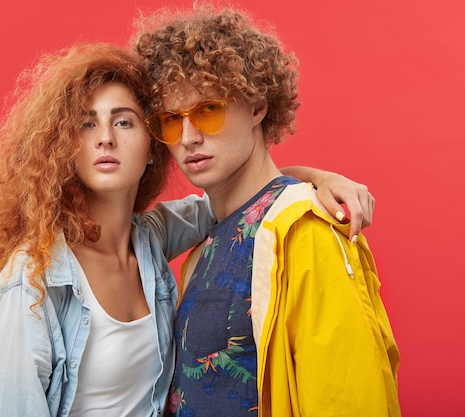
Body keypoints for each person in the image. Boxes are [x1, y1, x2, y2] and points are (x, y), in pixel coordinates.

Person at [0, 42, 377, 417]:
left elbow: (242, 197)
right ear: (63, 147)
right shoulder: (33, 281)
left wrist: (320, 178)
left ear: (152, 145)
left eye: (124, 121)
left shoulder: (150, 240)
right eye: (86, 123)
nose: (105, 138)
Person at [133, 5, 401, 417]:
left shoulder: (307, 230)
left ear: (257, 106)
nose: (188, 137)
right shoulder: (203, 244)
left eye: (209, 109)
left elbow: (347, 398)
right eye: (171, 120)